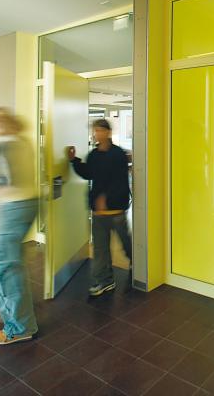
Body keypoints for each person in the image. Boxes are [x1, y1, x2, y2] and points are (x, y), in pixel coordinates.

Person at [0, 108, 39, 345]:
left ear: (1, 125)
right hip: (23, 206)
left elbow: (9, 179)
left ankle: (19, 327)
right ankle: (6, 306)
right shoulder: (21, 142)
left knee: (4, 267)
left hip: (15, 208)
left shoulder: (8, 143)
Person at [67, 119, 132, 297]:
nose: (97, 134)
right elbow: (88, 173)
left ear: (108, 132)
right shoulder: (94, 155)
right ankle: (105, 281)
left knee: (125, 243)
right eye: (95, 131)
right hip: (98, 212)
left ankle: (135, 263)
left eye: (100, 130)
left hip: (116, 210)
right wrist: (74, 161)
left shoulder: (118, 154)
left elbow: (120, 182)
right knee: (100, 249)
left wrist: (106, 198)